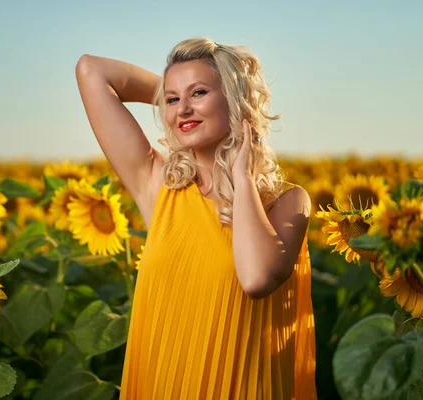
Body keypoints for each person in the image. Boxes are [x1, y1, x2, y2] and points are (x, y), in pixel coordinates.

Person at [75, 37, 316, 400]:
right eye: (172, 99)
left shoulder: (287, 203)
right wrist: (180, 95)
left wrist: (243, 178)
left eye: (199, 93)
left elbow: (255, 279)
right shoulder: (158, 185)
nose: (182, 109)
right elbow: (91, 70)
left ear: (235, 99)